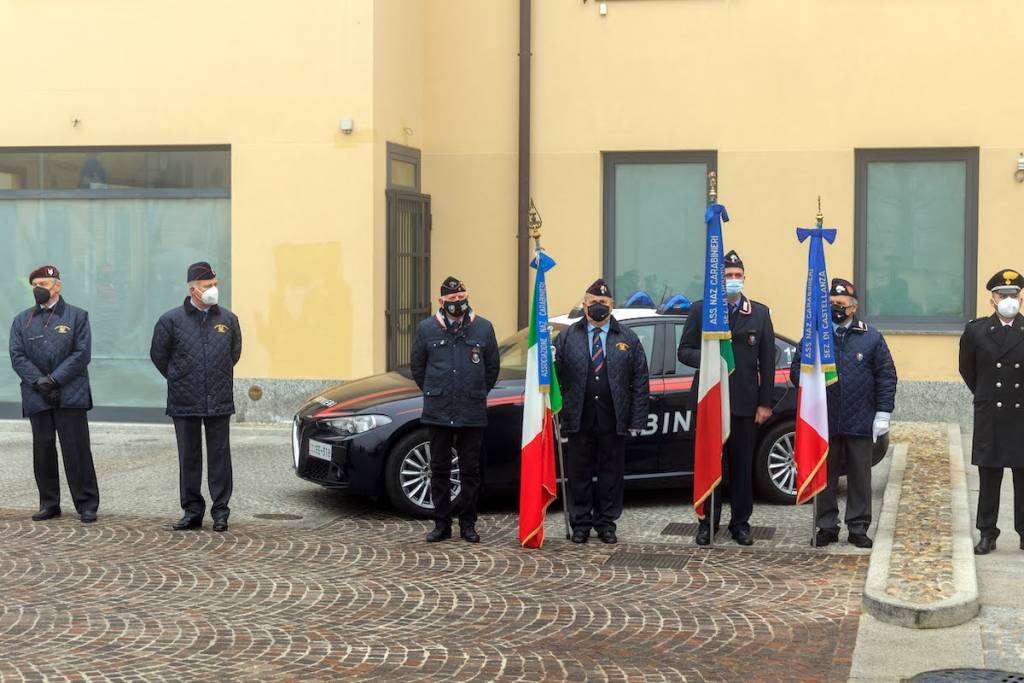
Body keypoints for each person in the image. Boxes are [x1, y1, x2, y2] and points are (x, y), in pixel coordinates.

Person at [790, 277, 897, 548]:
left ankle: (858, 527)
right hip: (824, 419)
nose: (836, 308)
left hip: (859, 419)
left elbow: (886, 376)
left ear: (853, 307)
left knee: (860, 476)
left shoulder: (870, 337)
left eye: (841, 304)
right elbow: (795, 373)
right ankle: (826, 525)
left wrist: (883, 412)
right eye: (831, 303)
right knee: (824, 475)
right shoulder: (814, 335)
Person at [678, 250, 776, 546]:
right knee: (709, 463)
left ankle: (740, 523)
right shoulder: (701, 310)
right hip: (710, 401)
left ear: (744, 278)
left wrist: (765, 403)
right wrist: (709, 358)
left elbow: (768, 361)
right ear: (718, 280)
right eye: (727, 276)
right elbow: (683, 351)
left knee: (742, 466)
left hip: (744, 404)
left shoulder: (759, 313)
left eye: (737, 276)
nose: (732, 281)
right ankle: (707, 522)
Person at [554, 278, 649, 544]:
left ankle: (606, 523)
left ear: (612, 306)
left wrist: (637, 419)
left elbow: (640, 380)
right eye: (594, 302)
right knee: (579, 473)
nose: (598, 306)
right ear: (584, 304)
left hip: (613, 417)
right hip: (578, 416)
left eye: (603, 303)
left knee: (611, 474)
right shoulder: (566, 337)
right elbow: (554, 377)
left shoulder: (627, 338)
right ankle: (581, 523)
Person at [150, 261, 242, 532]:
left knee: (220, 456)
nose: (212, 290)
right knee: (188, 456)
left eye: (214, 285)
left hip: (219, 397)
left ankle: (221, 511)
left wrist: (215, 375)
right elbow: (159, 355)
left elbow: (233, 354)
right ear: (193, 290)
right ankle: (192, 511)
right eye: (206, 286)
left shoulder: (227, 320)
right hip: (184, 399)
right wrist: (179, 377)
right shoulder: (171, 320)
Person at [410, 276, 499, 543]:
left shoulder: (483, 328)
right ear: (441, 302)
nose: (457, 305)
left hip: (471, 410)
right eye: (451, 301)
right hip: (438, 409)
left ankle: (468, 524)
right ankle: (441, 524)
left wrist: (477, 392)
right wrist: (434, 390)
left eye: (461, 299)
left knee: (470, 470)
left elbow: (491, 368)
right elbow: (418, 368)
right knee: (438, 469)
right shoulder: (427, 329)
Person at [9, 265, 100, 523]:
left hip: (70, 394)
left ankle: (86, 504)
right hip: (37, 395)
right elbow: (17, 355)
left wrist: (54, 379)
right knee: (43, 450)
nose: (39, 289)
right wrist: (39, 381)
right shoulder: (22, 320)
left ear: (57, 286)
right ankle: (49, 503)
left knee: (77, 450)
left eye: (44, 284)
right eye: (35, 284)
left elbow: (82, 354)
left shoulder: (77, 317)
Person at [959, 269, 1024, 555]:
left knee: (1023, 479)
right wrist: (986, 395)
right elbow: (967, 369)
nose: (1009, 299)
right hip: (990, 415)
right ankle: (987, 533)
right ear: (992, 300)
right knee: (989, 478)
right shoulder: (976, 330)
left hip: (1021, 415)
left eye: (1014, 295)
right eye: (1003, 295)